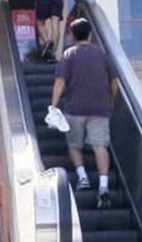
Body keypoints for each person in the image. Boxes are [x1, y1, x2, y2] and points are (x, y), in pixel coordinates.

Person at [50, 18, 119, 209]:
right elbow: (114, 82)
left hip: (75, 108)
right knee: (100, 146)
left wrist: (53, 105)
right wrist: (111, 101)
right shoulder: (102, 54)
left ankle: (83, 177)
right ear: (90, 34)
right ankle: (103, 186)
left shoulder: (68, 54)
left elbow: (60, 81)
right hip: (99, 108)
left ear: (72, 35)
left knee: (74, 145)